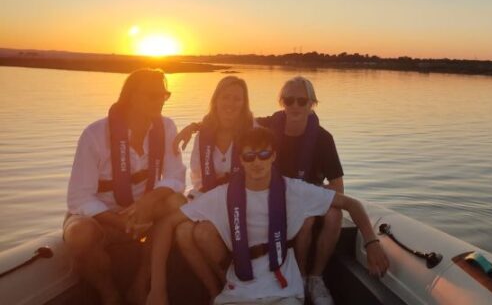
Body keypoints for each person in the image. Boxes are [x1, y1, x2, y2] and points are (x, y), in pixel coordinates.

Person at [148, 126, 388, 305]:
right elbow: (167, 225)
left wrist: (372, 242)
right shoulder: (223, 196)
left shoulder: (294, 190)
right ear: (240, 160)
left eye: (264, 155)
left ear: (273, 156)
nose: (256, 162)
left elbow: (351, 204)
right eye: (249, 156)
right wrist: (157, 287)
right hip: (237, 291)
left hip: (283, 289)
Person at [174, 76, 344, 305]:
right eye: (289, 100)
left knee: (324, 217)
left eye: (301, 101)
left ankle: (312, 278)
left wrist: (314, 198)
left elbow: (338, 188)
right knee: (187, 232)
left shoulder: (322, 139)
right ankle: (224, 286)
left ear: (312, 103)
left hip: (291, 195)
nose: (294, 106)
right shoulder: (270, 125)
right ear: (282, 102)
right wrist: (195, 126)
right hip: (245, 196)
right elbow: (227, 120)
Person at [63, 69, 186, 305]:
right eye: (152, 95)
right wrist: (119, 220)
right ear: (131, 96)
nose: (160, 101)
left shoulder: (167, 127)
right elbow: (78, 197)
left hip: (144, 213)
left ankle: (141, 284)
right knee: (79, 234)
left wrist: (148, 201)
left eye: (164, 95)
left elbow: (176, 176)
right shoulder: (95, 134)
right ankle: (109, 294)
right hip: (103, 217)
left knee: (177, 203)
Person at [174, 76, 255, 289]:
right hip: (209, 197)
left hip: (243, 201)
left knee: (203, 234)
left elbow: (259, 173)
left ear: (244, 103)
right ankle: (215, 290)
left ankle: (232, 285)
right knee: (182, 233)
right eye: (225, 97)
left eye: (237, 99)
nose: (230, 104)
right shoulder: (203, 134)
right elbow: (197, 175)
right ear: (216, 100)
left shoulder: (254, 131)